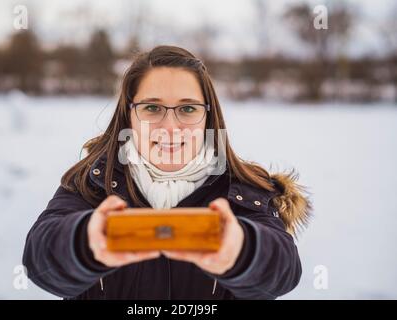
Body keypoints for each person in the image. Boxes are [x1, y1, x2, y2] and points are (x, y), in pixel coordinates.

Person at [23, 45, 312, 299]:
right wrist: (85, 244)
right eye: (152, 108)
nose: (170, 127)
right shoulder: (90, 185)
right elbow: (39, 260)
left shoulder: (247, 191)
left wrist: (242, 251)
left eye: (187, 109)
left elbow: (283, 272)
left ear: (208, 117)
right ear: (129, 114)